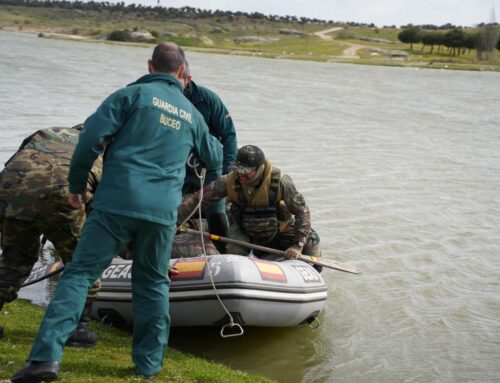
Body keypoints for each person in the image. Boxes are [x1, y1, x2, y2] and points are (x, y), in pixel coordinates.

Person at [11, 42, 222, 382]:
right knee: (153, 284)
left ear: (150, 64)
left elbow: (90, 138)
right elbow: (216, 156)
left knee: (79, 273)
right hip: (163, 212)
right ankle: (149, 366)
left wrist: (77, 187)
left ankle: (45, 359)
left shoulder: (129, 96)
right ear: (184, 74)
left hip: (116, 204)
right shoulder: (192, 114)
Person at [0, 125, 102, 347]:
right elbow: (104, 202)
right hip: (62, 193)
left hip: (10, 187)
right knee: (84, 264)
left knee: (14, 260)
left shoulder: (49, 132)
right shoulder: (109, 149)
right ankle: (77, 329)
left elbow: (15, 160)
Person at [178, 145, 321, 262]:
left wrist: (298, 245)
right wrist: (175, 220)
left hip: (280, 230)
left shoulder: (281, 182)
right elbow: (199, 198)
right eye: (238, 171)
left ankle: (313, 267)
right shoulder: (229, 181)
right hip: (245, 231)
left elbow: (302, 211)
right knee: (234, 253)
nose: (241, 176)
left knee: (311, 240)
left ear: (259, 168)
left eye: (245, 172)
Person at [182, 61, 237, 251]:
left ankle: (223, 251)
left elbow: (229, 135)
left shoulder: (208, 100)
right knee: (172, 209)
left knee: (216, 211)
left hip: (210, 168)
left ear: (187, 80)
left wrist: (227, 171)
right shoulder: (163, 97)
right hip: (178, 166)